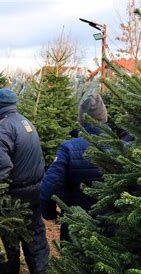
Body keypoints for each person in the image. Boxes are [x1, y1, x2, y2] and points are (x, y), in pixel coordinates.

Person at [0, 88, 49, 274]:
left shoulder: (0, 130)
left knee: (8, 232)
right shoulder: (26, 122)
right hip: (36, 188)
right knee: (35, 233)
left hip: (15, 193)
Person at [40, 94, 107, 241]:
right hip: (111, 228)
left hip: (75, 226)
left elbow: (48, 187)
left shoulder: (69, 148)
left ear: (81, 119)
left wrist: (49, 214)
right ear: (104, 118)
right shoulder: (122, 148)